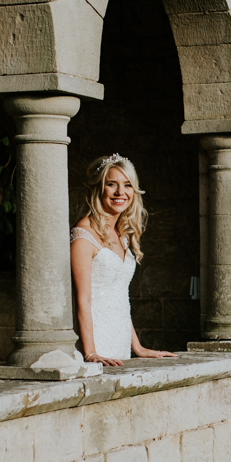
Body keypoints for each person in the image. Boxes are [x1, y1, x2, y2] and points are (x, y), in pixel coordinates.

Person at [70, 154, 175, 365]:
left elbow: (120, 297)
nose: (120, 192)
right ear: (99, 188)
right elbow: (82, 300)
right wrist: (91, 353)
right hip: (95, 342)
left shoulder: (123, 234)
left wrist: (136, 347)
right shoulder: (84, 235)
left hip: (120, 341)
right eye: (112, 184)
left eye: (127, 185)